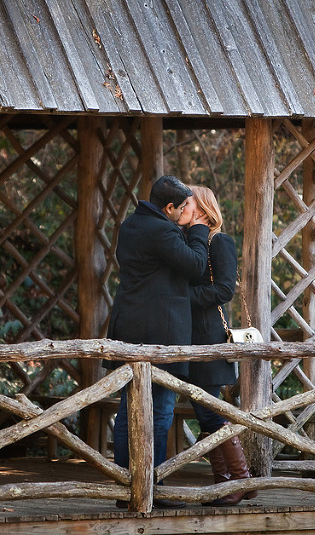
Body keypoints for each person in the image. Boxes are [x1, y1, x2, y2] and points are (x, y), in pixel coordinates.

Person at [105, 175, 209, 509]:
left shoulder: (130, 225)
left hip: (129, 326)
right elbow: (195, 266)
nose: (184, 214)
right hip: (160, 332)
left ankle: (127, 485)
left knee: (127, 409)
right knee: (160, 409)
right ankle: (153, 486)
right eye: (182, 209)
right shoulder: (163, 230)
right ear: (168, 207)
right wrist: (198, 230)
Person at [182, 185, 257, 506]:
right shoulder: (184, 242)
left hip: (209, 337)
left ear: (201, 208)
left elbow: (224, 290)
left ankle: (237, 481)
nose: (182, 207)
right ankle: (230, 482)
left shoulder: (218, 241)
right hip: (187, 338)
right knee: (206, 410)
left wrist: (179, 299)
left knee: (210, 411)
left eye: (188, 202)